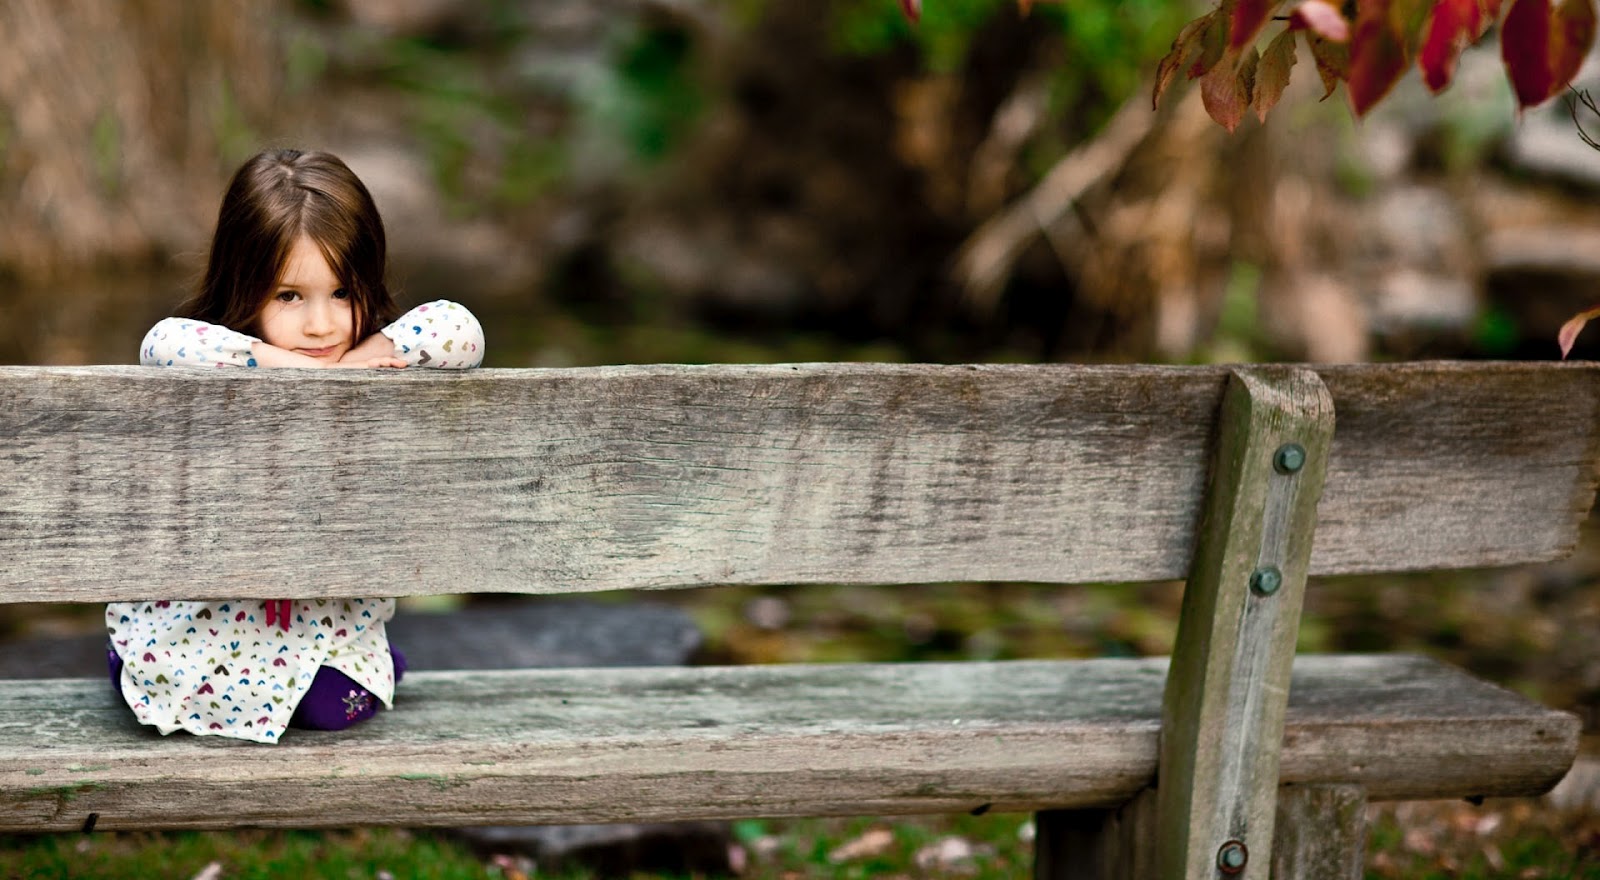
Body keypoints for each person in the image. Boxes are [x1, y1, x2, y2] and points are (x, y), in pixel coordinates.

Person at [109, 148, 484, 743]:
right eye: (289, 296)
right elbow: (162, 341)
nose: (320, 325)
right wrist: (279, 363)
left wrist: (361, 359)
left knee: (326, 707)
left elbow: (459, 328)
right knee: (314, 701)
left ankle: (348, 673)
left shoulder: (378, 363)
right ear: (243, 286)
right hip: (212, 624)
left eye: (342, 293)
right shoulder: (221, 362)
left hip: (319, 624)